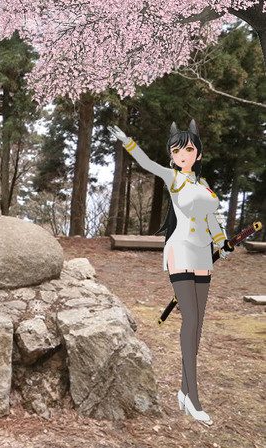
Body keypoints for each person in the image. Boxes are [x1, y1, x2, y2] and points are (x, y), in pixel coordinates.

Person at [109, 120, 233, 427]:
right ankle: (193, 398)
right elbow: (146, 162)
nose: (182, 154)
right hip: (180, 252)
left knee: (198, 326)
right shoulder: (172, 178)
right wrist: (128, 141)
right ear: (171, 155)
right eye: (177, 150)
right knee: (189, 320)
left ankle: (183, 389)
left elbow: (212, 221)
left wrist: (222, 243)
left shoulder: (203, 187)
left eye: (188, 149)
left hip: (203, 253)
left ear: (198, 155)